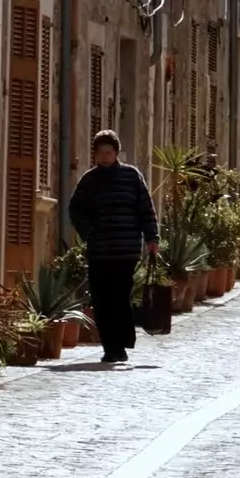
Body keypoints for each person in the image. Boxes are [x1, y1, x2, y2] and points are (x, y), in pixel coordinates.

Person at [68, 128, 158, 367]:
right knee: (101, 299)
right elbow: (75, 209)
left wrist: (152, 238)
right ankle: (111, 348)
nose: (105, 156)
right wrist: (89, 232)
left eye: (109, 152)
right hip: (99, 249)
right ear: (95, 155)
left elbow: (145, 208)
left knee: (120, 297)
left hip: (125, 249)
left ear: (116, 153)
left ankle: (122, 343)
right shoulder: (89, 180)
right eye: (101, 153)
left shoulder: (131, 176)